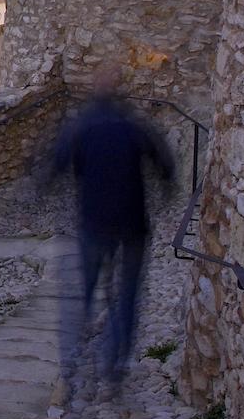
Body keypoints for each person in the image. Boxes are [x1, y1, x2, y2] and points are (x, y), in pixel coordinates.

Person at [51, 68, 174, 382]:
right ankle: (115, 360)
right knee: (127, 295)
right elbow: (165, 164)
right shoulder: (133, 127)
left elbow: (56, 164)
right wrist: (165, 192)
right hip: (133, 223)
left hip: (94, 223)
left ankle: (74, 358)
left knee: (87, 289)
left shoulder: (80, 128)